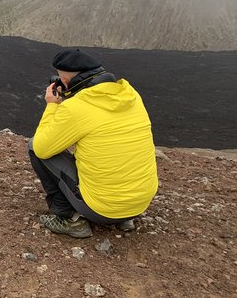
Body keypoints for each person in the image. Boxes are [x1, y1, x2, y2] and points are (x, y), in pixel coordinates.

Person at [28, 48, 158, 238]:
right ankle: (124, 218)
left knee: (34, 146)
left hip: (101, 209)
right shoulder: (131, 96)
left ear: (64, 82)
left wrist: (53, 106)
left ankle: (69, 219)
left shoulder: (76, 108)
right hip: (140, 204)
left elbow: (41, 146)